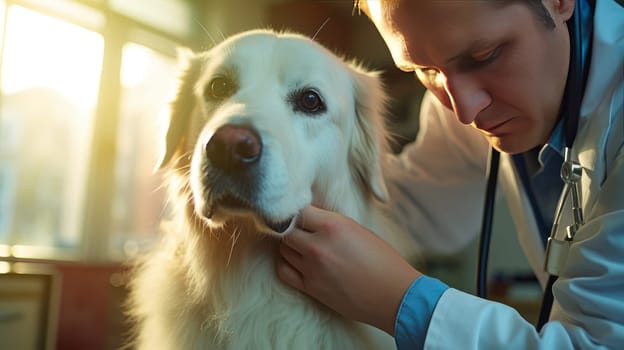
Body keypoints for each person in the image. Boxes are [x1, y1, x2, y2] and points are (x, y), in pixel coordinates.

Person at [276, 0, 624, 348]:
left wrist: (403, 303)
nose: (465, 112)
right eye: (424, 70)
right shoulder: (467, 99)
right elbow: (404, 211)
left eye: (486, 55)